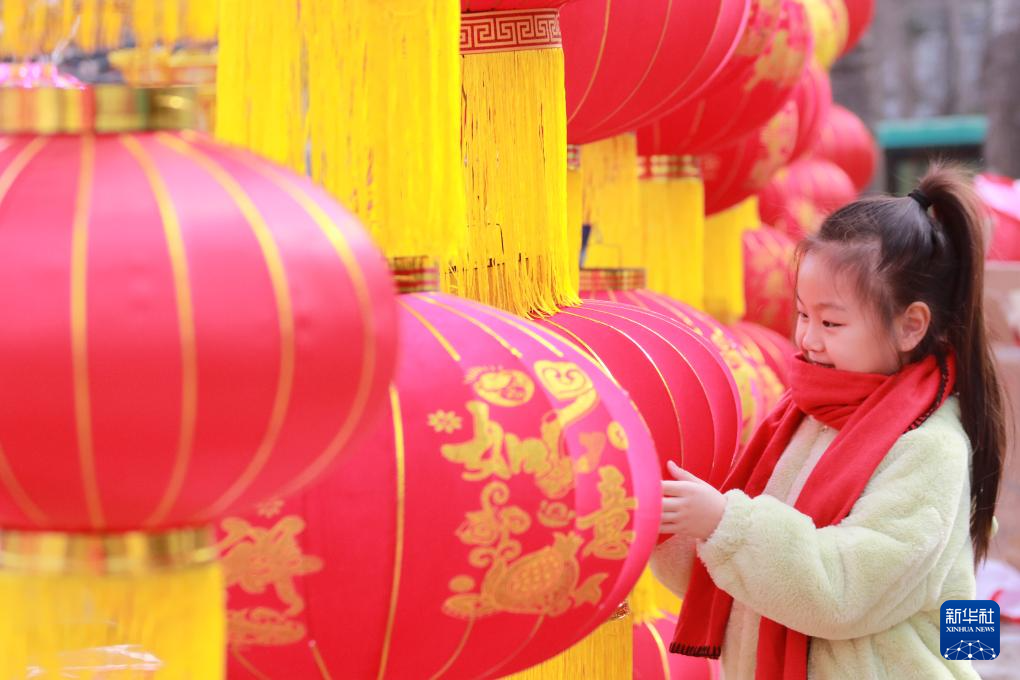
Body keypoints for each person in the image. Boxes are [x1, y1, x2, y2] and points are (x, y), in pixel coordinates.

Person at [652, 163, 1006, 679]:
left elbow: (843, 593)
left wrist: (725, 523)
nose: (808, 339)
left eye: (831, 322)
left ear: (910, 326)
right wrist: (671, 523)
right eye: (803, 315)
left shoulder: (930, 447)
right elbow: (742, 581)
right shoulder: (803, 416)